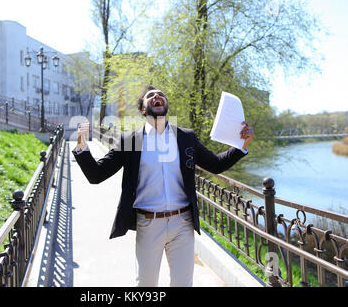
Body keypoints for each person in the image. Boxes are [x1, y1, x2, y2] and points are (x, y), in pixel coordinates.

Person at [72, 85, 254, 287]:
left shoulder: (186, 137)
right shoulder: (130, 140)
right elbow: (96, 175)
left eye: (161, 94)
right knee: (146, 285)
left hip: (183, 224)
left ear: (166, 104)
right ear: (143, 109)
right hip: (148, 224)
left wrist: (242, 145)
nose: (157, 96)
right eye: (150, 96)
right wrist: (81, 145)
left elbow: (216, 165)